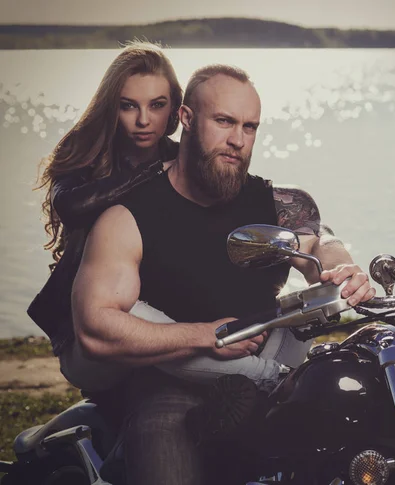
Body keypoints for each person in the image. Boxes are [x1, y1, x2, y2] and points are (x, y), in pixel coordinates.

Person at [71, 64, 376, 485]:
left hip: (273, 366)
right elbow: (96, 325)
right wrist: (203, 335)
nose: (237, 140)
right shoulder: (128, 215)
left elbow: (317, 243)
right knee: (164, 452)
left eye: (249, 127)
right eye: (224, 122)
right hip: (168, 388)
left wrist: (343, 267)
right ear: (186, 120)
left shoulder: (276, 202)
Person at [27, 41, 181, 359]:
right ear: (112, 106)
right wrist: (152, 172)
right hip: (85, 321)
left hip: (154, 312)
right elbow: (69, 206)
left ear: (175, 108)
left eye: (156, 105)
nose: (143, 120)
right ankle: (266, 376)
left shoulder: (180, 158)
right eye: (128, 106)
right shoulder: (85, 151)